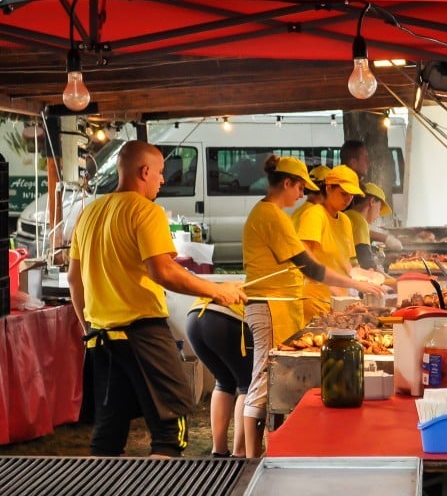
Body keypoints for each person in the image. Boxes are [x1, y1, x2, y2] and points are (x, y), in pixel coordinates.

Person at [67, 140, 246, 457]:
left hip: (101, 338)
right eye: (161, 173)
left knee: (107, 434)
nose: (163, 180)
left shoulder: (89, 213)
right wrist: (218, 290)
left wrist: (88, 329)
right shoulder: (145, 211)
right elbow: (163, 271)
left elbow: (73, 279)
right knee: (171, 428)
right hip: (142, 333)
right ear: (144, 171)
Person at [242, 155, 385, 457]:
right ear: (287, 183)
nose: (303, 194)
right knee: (263, 383)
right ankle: (251, 461)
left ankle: (254, 455)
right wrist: (357, 285)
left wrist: (359, 279)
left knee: (264, 382)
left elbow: (337, 264)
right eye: (300, 188)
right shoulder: (272, 215)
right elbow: (310, 266)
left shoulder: (272, 212)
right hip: (269, 303)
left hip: (278, 303)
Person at [292, 164, 364, 320]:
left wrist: (363, 278)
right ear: (329, 189)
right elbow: (305, 256)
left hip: (341, 302)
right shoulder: (314, 215)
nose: (348, 199)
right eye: (343, 193)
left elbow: (345, 262)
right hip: (316, 299)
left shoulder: (345, 220)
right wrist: (330, 284)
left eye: (351, 195)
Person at [185, 299, 253, 457]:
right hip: (227, 319)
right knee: (248, 384)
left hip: (194, 317)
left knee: (224, 381)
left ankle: (219, 451)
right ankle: (240, 452)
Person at [341, 140, 402, 253]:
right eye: (365, 158)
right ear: (353, 162)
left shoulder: (354, 187)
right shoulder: (344, 188)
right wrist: (384, 238)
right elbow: (354, 224)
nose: (369, 162)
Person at [346, 181, 393, 271]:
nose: (379, 215)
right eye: (380, 209)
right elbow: (367, 262)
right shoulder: (360, 221)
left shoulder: (347, 215)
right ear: (372, 202)